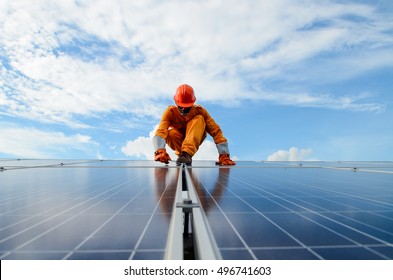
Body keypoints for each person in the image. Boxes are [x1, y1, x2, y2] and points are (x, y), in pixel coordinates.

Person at [153, 84, 236, 166]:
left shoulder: (200, 111)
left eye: (187, 107)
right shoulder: (170, 113)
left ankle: (186, 154)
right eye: (181, 106)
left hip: (196, 137)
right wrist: (159, 150)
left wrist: (224, 155)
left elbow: (216, 131)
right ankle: (183, 154)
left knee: (199, 118)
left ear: (193, 103)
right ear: (175, 102)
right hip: (179, 144)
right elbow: (161, 131)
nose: (183, 110)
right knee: (170, 133)